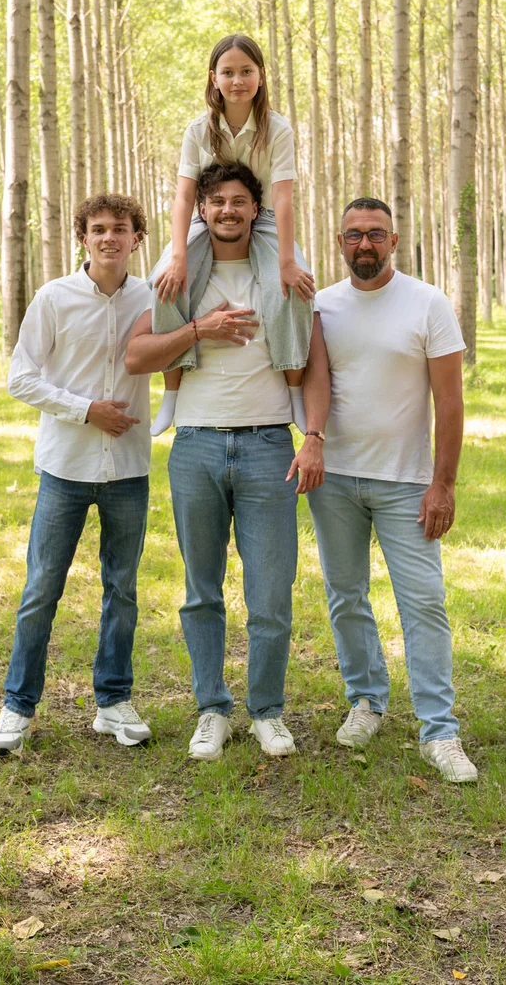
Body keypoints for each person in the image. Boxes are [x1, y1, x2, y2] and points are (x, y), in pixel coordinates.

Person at [126, 163, 325, 761]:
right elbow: (137, 354)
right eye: (216, 202)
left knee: (270, 594)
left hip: (269, 446)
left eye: (240, 201)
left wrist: (312, 435)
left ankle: (266, 711)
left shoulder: (285, 277)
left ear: (256, 210)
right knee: (200, 592)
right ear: (202, 211)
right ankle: (212, 709)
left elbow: (314, 363)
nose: (228, 210)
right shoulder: (176, 279)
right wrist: (199, 329)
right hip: (197, 447)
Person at [304, 196, 478, 783]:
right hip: (336, 481)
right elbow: (309, 387)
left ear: (394, 241)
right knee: (345, 594)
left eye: (375, 235)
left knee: (423, 602)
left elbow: (450, 401)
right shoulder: (322, 306)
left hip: (408, 483)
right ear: (339, 242)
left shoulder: (427, 303)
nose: (365, 245)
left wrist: (443, 484)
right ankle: (367, 700)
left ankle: (440, 730)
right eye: (353, 235)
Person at [0, 194, 154, 755]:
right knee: (41, 590)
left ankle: (112, 701)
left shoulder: (153, 298)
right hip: (64, 467)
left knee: (122, 590)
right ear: (83, 237)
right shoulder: (54, 298)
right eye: (99, 229)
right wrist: (87, 410)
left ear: (137, 238)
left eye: (121, 229)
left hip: (128, 470)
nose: (110, 238)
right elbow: (21, 378)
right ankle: (17, 706)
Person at [148, 33, 315, 437]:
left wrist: (288, 262)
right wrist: (177, 255)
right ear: (213, 78)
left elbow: (285, 197)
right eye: (228, 72)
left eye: (246, 71)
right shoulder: (198, 130)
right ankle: (172, 390)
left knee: (293, 289)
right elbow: (185, 197)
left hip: (266, 217)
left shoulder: (277, 129)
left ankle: (294, 392)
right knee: (164, 285)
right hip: (207, 217)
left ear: (260, 77)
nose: (237, 80)